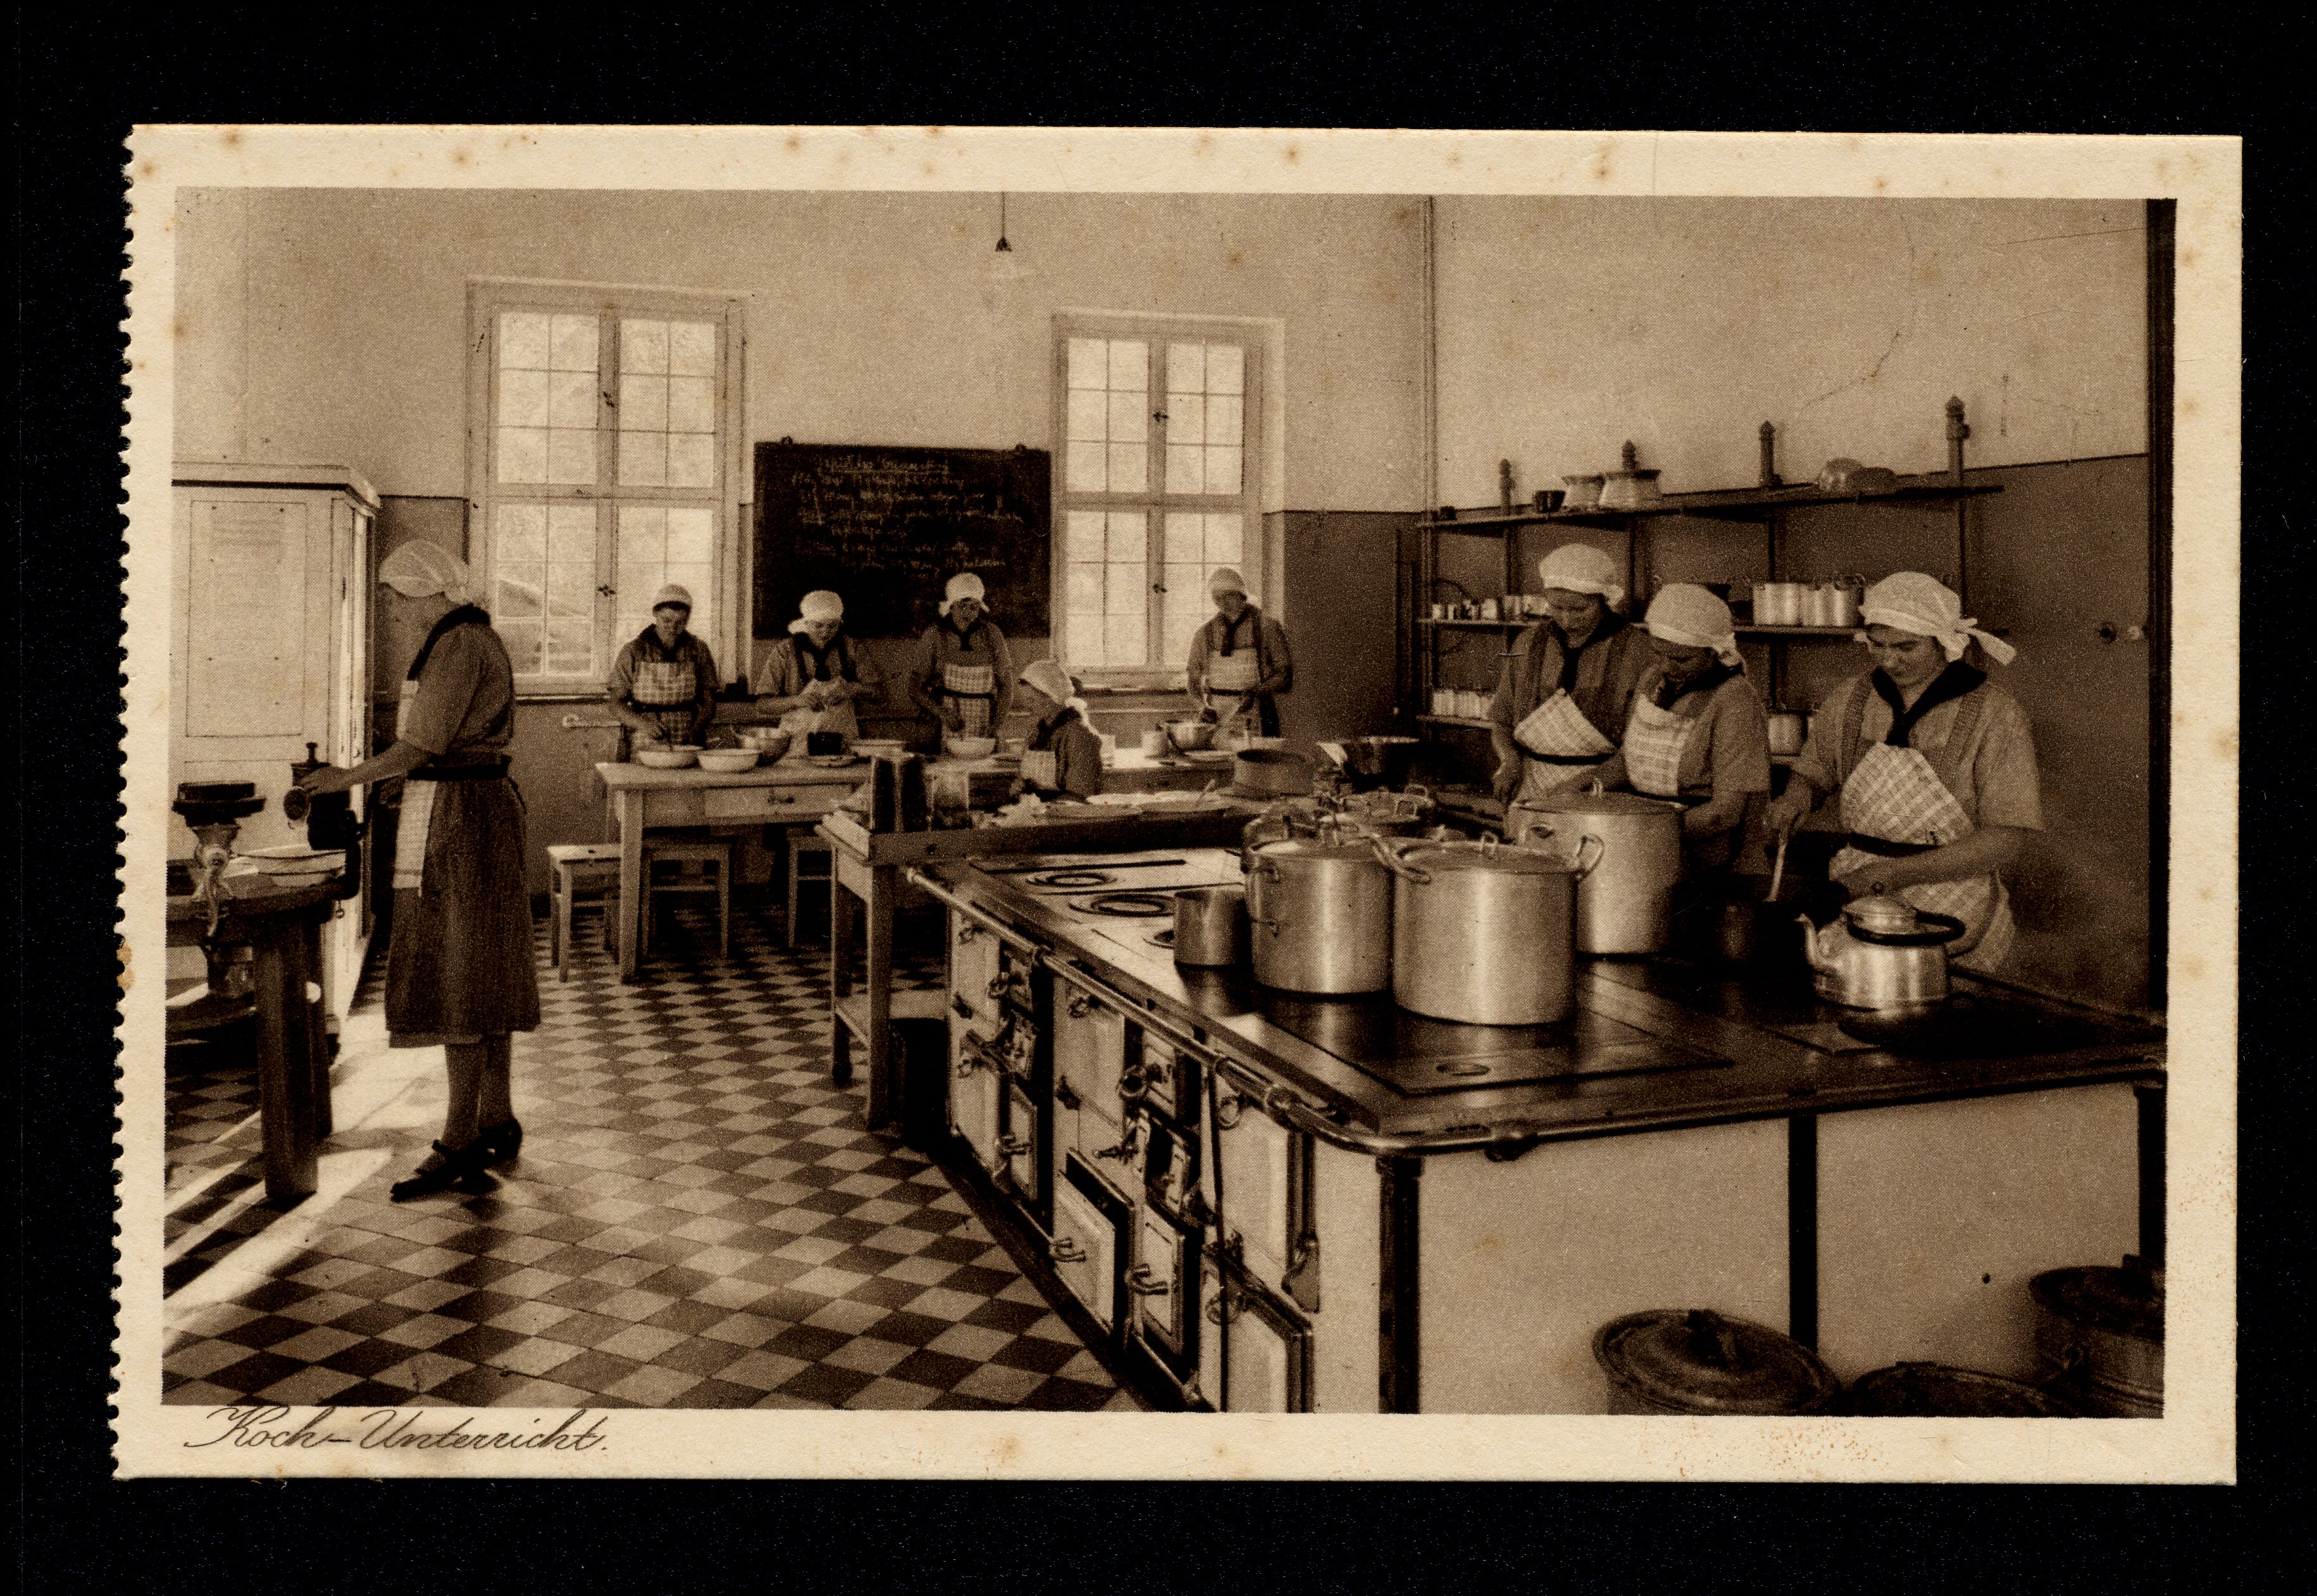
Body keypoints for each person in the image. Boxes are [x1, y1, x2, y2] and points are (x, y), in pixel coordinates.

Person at [294, 542, 539, 1201]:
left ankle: (460, 1138)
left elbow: (421, 745)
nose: (395, 611)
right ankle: (495, 1114)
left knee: (460, 968)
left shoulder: (457, 644)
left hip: (463, 820)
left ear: (431, 592)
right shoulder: (468, 636)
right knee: (483, 967)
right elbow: (438, 746)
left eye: (399, 598)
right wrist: (401, 776)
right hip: (473, 808)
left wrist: (341, 779)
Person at [1763, 572, 2042, 972]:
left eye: (1906, 647)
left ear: (1943, 642)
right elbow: (1816, 769)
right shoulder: (1851, 698)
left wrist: (1890, 875)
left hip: (1953, 900)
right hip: (1860, 890)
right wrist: (1795, 798)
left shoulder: (1996, 714)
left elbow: (2005, 839)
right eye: (1877, 645)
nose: (1889, 660)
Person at [1594, 584, 1772, 875]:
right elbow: (1629, 762)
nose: (1666, 667)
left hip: (1709, 856)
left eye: (1681, 659)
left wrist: (1640, 838)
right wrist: (1562, 795)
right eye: (1658, 654)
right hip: (1649, 838)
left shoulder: (1736, 700)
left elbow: (1724, 813)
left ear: (1714, 653)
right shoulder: (1654, 680)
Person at [1489, 543, 1653, 802]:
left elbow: (1644, 743)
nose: (1566, 619)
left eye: (1579, 609)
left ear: (1605, 600)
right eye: (1556, 607)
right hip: (1530, 783)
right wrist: (1509, 761)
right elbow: (1501, 719)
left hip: (1604, 789)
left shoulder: (1639, 650)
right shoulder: (1527, 643)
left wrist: (1577, 786)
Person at [754, 588, 881, 742]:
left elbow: (878, 694)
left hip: (842, 740)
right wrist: (796, 701)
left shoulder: (852, 648)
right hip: (797, 741)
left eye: (832, 626)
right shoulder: (785, 651)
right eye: (819, 626)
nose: (825, 632)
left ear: (839, 624)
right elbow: (763, 705)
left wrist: (852, 689)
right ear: (806, 624)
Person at [909, 572, 1014, 752]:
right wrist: (942, 713)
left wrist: (996, 726)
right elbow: (914, 689)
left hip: (984, 724)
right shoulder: (934, 635)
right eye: (962, 605)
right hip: (941, 725)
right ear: (951, 606)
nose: (968, 612)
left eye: (974, 607)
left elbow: (1007, 687)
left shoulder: (992, 635)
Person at [607, 584, 719, 753]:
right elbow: (615, 703)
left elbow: (709, 702)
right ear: (655, 614)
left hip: (689, 736)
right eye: (667, 620)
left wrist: (696, 730)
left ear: (688, 618)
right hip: (645, 736)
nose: (673, 628)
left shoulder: (698, 650)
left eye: (681, 622)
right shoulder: (634, 651)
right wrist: (643, 724)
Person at [1184, 567, 1293, 738]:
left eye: (1228, 595)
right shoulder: (1204, 633)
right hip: (1218, 716)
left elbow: (1285, 676)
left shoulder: (1268, 627)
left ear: (1241, 593)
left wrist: (1256, 691)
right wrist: (1202, 707)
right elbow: (1193, 680)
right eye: (1217, 598)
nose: (1223, 602)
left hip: (1258, 712)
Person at [1012, 659, 1105, 801]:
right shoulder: (1037, 732)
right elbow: (1026, 778)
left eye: (1032, 700)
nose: (1027, 707)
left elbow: (1080, 795)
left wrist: (1041, 808)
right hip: (1039, 808)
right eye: (1026, 701)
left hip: (1068, 811)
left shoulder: (1080, 735)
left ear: (1052, 697)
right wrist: (1020, 786)